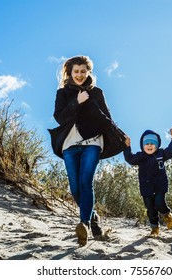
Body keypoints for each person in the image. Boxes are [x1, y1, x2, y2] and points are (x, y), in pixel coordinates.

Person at [48, 55, 126, 246]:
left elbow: (106, 117)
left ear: (88, 72)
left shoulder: (97, 92)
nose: (80, 75)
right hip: (70, 143)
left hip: (93, 141)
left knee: (85, 182)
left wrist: (121, 134)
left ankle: (83, 224)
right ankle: (93, 218)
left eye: (83, 71)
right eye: (76, 71)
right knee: (75, 188)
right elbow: (60, 117)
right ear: (70, 73)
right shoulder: (63, 93)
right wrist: (77, 101)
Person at [123, 128, 172, 236]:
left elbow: (171, 150)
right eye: (147, 143)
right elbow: (130, 159)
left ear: (157, 145)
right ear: (142, 145)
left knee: (159, 203)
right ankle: (154, 228)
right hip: (146, 188)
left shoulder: (161, 154)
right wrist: (126, 147)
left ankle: (167, 215)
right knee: (150, 208)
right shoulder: (140, 156)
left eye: (152, 143)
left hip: (159, 185)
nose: (149, 146)